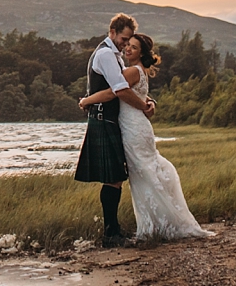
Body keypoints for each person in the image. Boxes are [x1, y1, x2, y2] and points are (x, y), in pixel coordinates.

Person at [86, 33, 215, 242]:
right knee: (145, 171)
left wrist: (86, 100)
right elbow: (140, 97)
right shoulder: (140, 71)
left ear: (142, 53)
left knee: (142, 173)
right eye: (127, 45)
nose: (128, 49)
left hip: (133, 128)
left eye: (134, 47)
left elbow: (112, 93)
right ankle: (156, 224)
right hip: (138, 126)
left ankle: (154, 225)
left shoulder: (130, 71)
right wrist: (149, 104)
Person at [74, 13, 154, 246]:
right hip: (104, 120)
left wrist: (148, 102)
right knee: (113, 179)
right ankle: (111, 234)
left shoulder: (115, 56)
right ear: (112, 33)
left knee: (115, 178)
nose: (125, 44)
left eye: (129, 41)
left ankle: (113, 231)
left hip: (110, 120)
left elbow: (125, 88)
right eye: (123, 39)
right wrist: (144, 107)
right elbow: (118, 90)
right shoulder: (106, 54)